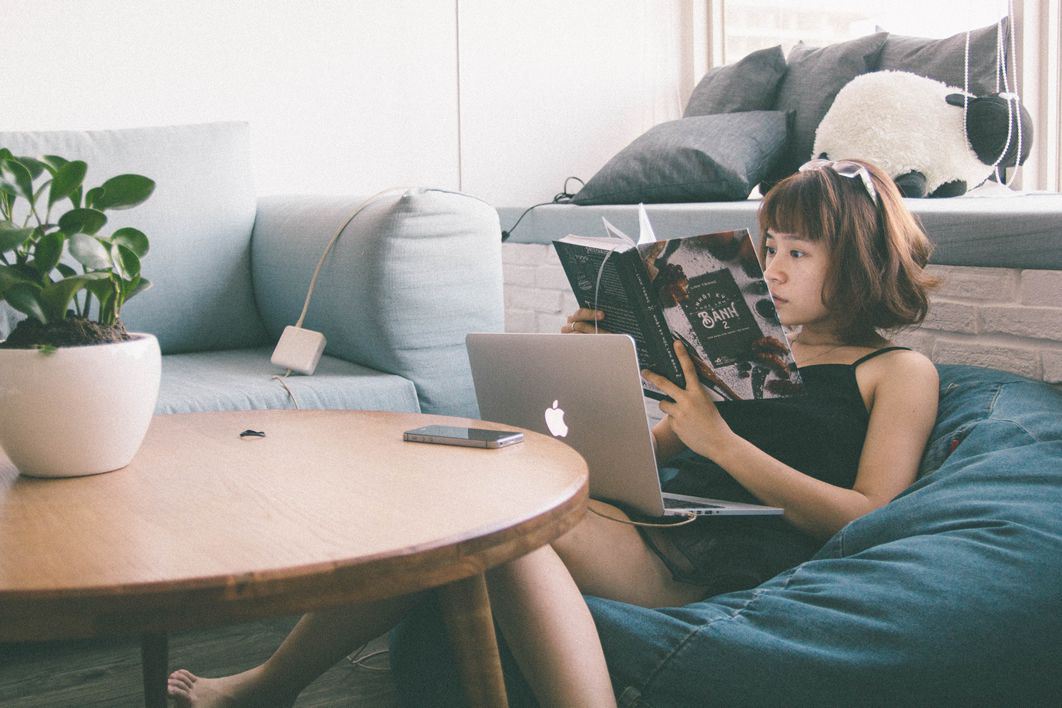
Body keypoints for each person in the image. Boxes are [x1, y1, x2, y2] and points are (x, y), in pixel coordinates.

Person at [168, 159, 940, 707]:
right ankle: (272, 686)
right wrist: (589, 368)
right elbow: (638, 460)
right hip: (659, 524)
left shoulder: (895, 371)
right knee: (460, 506)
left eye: (797, 253)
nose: (772, 269)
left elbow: (870, 514)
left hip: (724, 565)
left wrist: (722, 442)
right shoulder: (748, 347)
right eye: (768, 248)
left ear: (864, 260)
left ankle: (268, 688)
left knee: (510, 532)